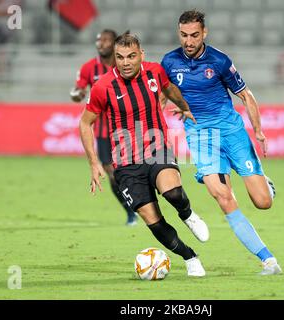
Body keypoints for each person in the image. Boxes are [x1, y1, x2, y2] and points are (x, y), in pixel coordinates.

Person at [161, 10, 282, 275]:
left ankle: (265, 183)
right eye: (183, 35)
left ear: (204, 33)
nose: (188, 41)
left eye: (194, 35)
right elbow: (162, 95)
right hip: (201, 136)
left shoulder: (219, 61)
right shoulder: (169, 62)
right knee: (223, 197)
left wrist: (258, 131)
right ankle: (268, 260)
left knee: (263, 202)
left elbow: (246, 95)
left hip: (231, 132)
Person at [79, 33, 209, 276]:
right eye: (120, 57)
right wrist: (93, 162)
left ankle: (188, 214)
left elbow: (170, 90)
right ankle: (190, 257)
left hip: (156, 147)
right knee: (152, 219)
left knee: (172, 192)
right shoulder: (102, 87)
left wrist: (183, 106)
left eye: (131, 56)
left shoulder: (155, 72)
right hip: (126, 164)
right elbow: (85, 123)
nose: (125, 62)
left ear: (141, 55)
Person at [71, 29, 138, 226]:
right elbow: (79, 89)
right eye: (99, 40)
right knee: (111, 172)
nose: (101, 43)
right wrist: (77, 94)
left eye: (106, 40)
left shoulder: (125, 64)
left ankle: (143, 202)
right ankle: (130, 211)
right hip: (103, 130)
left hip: (129, 126)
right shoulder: (88, 68)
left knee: (135, 169)